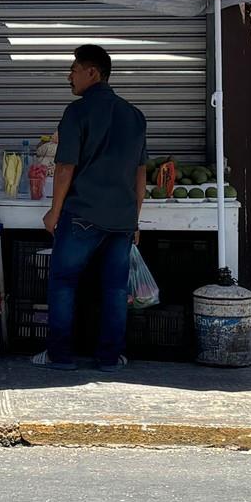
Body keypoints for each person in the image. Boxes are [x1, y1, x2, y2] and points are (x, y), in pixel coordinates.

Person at [35, 45, 148, 372]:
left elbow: (66, 167)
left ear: (92, 73)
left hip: (82, 214)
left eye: (74, 69)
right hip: (122, 219)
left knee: (64, 281)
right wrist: (134, 219)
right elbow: (140, 172)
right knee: (114, 287)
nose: (69, 76)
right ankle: (110, 359)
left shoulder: (77, 112)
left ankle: (60, 357)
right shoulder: (134, 115)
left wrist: (54, 212)